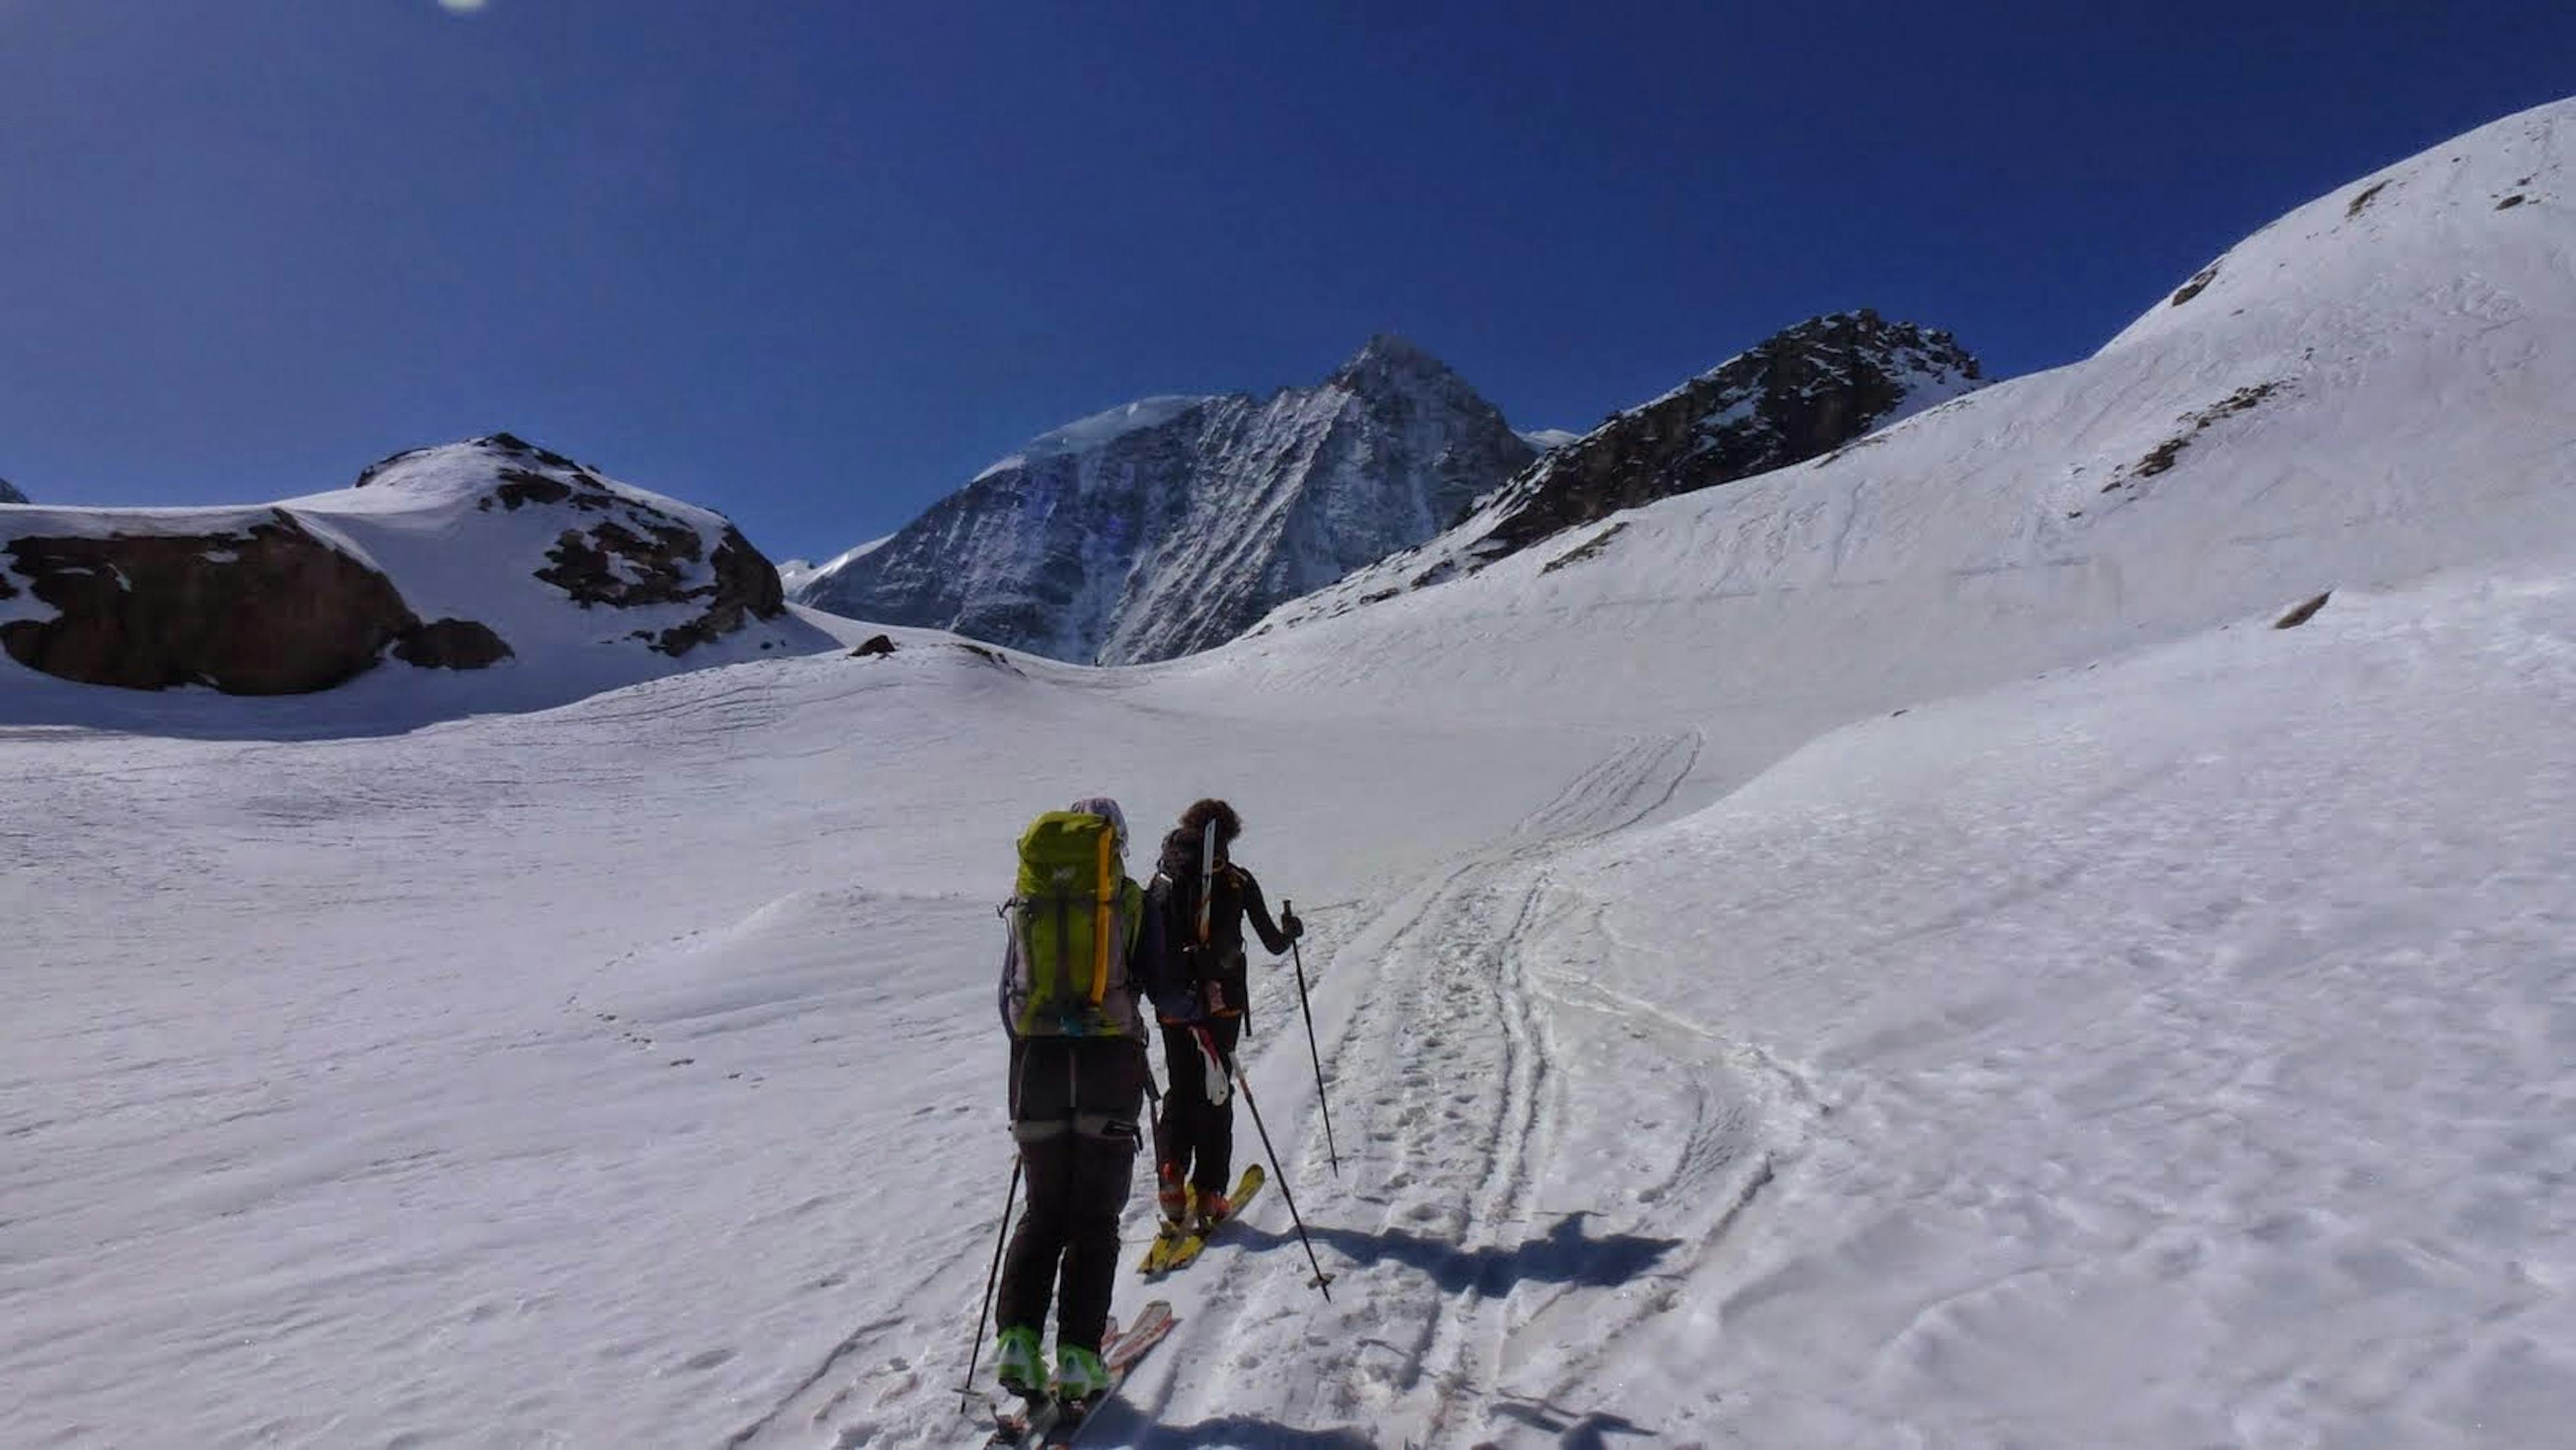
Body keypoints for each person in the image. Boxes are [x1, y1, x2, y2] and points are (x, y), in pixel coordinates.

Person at [991, 797, 1160, 1407]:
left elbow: (1007, 996)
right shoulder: (1131, 900)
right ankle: (1080, 1357)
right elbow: (1163, 985)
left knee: (1043, 1213)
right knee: (1094, 1219)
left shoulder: (1031, 900)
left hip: (1035, 1070)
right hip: (1107, 1070)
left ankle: (1016, 1343)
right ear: (1115, 842)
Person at [1144, 797, 1301, 1231]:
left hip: (1174, 1006)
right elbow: (1272, 941)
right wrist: (1292, 932)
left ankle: (1172, 1174)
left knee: (1181, 1088)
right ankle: (1211, 1193)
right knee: (1217, 1094)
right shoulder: (1235, 880)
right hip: (1221, 1006)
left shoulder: (1161, 880)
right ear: (1228, 836)